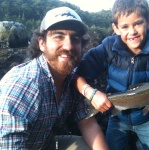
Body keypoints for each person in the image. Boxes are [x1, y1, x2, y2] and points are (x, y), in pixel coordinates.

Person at [75, 0, 149, 149]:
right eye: (125, 26)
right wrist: (91, 93)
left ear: (148, 21)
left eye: (137, 23)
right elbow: (78, 73)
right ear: (116, 28)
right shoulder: (109, 47)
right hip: (117, 117)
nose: (132, 32)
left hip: (148, 119)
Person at [0, 7, 109, 150]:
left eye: (75, 38)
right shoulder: (24, 87)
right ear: (42, 43)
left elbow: (86, 121)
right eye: (58, 36)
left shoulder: (71, 79)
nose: (69, 46)